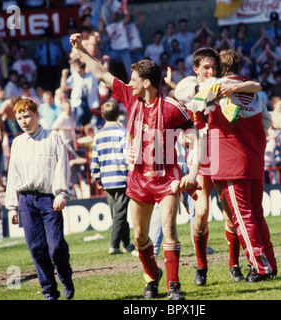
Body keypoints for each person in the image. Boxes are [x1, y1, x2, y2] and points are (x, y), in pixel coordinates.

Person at [70, 32, 201, 300]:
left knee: (169, 229)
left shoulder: (172, 108)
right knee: (140, 236)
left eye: (134, 79)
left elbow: (196, 138)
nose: (129, 84)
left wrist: (192, 173)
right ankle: (153, 276)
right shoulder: (131, 98)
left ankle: (174, 288)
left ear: (147, 83)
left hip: (166, 179)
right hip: (138, 179)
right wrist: (82, 50)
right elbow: (102, 74)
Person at [174, 47, 267, 286]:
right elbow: (180, 92)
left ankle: (233, 265)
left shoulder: (221, 84)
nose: (211, 71)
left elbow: (255, 86)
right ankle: (201, 266)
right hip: (198, 155)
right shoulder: (191, 84)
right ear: (196, 69)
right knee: (202, 213)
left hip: (218, 152)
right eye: (206, 67)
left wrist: (233, 86)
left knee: (230, 215)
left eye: (214, 67)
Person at [5, 98, 74, 300]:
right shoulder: (17, 143)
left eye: (26, 116)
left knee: (56, 246)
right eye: (19, 118)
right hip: (26, 200)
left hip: (49, 199)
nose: (23, 121)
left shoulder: (53, 137)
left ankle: (65, 274)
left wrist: (61, 193)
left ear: (37, 114)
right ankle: (49, 292)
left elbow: (62, 167)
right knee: (36, 248)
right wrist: (12, 207)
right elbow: (13, 175)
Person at [90, 101, 134, 255]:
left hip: (107, 180)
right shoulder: (123, 132)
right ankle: (113, 245)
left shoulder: (97, 136)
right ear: (119, 114)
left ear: (102, 116)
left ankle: (127, 244)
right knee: (120, 215)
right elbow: (128, 157)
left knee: (117, 214)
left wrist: (98, 180)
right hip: (121, 178)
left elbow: (94, 161)